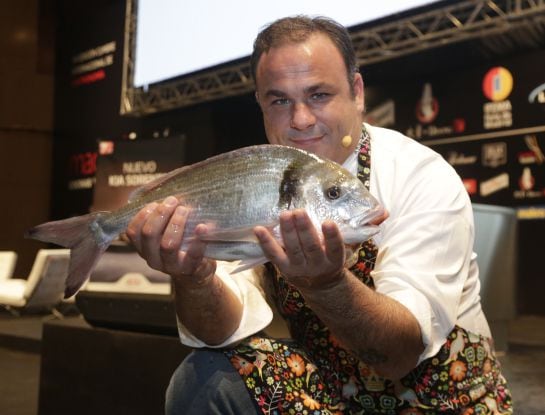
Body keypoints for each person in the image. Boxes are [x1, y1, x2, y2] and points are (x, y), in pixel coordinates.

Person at [126, 16, 512, 414]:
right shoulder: (259, 180)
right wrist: (194, 277)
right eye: (279, 100)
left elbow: (400, 353)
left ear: (357, 92)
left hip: (446, 400)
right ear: (260, 104)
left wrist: (326, 285)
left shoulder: (420, 176)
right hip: (333, 395)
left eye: (319, 95)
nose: (301, 120)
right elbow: (220, 329)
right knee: (202, 377)